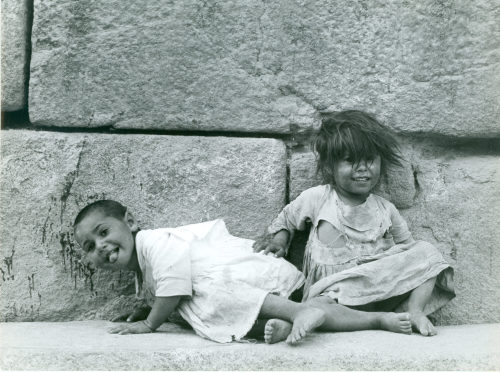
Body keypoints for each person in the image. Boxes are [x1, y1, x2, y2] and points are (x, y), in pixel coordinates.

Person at [254, 110, 455, 341]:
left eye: (369, 160)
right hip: (335, 291)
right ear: (330, 166)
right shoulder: (318, 198)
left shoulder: (385, 208)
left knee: (427, 254)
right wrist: (280, 240)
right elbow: (287, 220)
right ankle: (374, 320)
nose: (362, 168)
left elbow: (408, 249)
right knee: (317, 306)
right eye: (350, 161)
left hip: (376, 287)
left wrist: (401, 264)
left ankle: (414, 310)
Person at [73, 200, 325, 344]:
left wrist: (150, 323)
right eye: (90, 246)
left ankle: (298, 311)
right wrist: (148, 307)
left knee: (215, 295)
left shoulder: (156, 242)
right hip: (238, 290)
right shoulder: (140, 266)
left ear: (130, 223)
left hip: (255, 277)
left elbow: (173, 285)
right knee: (210, 320)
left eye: (103, 232)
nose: (100, 246)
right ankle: (280, 325)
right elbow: (164, 292)